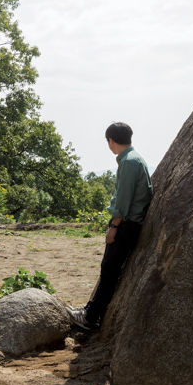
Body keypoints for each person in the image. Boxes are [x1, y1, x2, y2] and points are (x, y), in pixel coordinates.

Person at [69, 122, 152, 331]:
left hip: (126, 224)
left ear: (111, 141)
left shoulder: (129, 163)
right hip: (128, 223)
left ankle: (89, 318)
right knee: (109, 270)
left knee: (109, 270)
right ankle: (90, 310)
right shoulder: (133, 159)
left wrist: (113, 227)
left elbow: (123, 200)